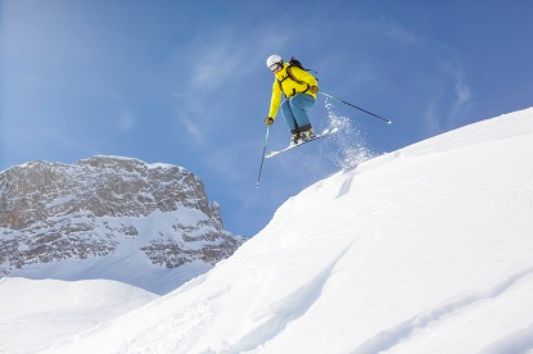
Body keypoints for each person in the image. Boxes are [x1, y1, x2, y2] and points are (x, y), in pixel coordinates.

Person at [264, 54, 319, 145]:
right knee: (284, 105)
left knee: (293, 100)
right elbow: (275, 99)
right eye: (271, 69)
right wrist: (271, 116)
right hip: (294, 102)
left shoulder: (292, 70)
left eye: (275, 67)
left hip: (307, 98)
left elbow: (308, 77)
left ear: (280, 63)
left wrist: (313, 86)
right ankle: (296, 134)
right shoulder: (277, 82)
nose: (274, 70)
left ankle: (308, 131)